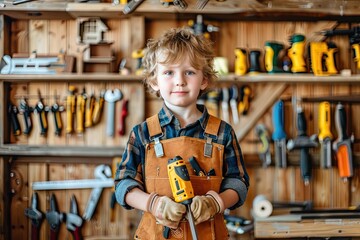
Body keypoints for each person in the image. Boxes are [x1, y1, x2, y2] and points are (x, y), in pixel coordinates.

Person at [114, 27, 249, 240]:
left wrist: (216, 202)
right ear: (154, 81)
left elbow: (238, 183)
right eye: (168, 72)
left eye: (189, 72)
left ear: (204, 79)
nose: (180, 81)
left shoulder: (223, 133)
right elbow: (123, 185)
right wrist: (154, 204)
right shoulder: (143, 134)